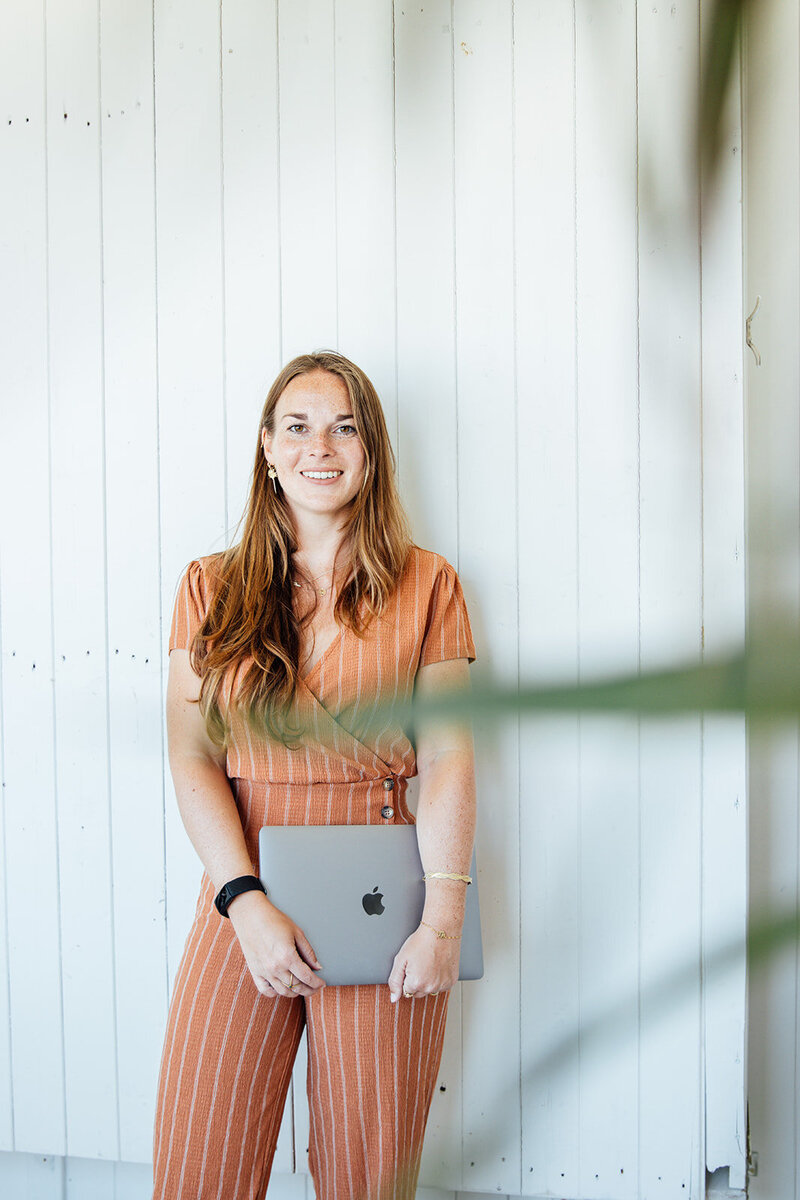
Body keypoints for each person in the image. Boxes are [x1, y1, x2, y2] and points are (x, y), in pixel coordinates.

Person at [152, 350, 477, 1200]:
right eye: (296, 426)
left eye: (344, 427)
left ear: (371, 451)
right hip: (242, 883)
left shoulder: (429, 583)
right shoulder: (208, 586)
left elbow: (448, 756)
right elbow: (191, 755)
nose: (318, 446)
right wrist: (243, 901)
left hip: (382, 898)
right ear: (267, 447)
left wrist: (441, 922)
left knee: (367, 1177)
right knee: (199, 1166)